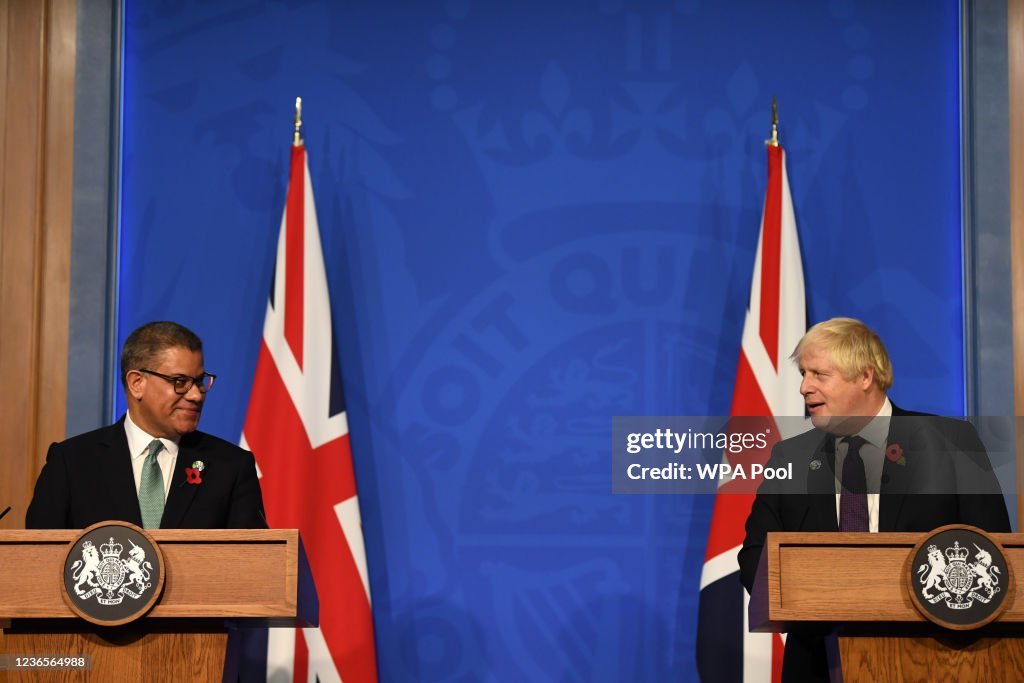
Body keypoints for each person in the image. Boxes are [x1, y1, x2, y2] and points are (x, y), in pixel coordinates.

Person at [738, 317, 1010, 682]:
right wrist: (830, 596)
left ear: (865, 377)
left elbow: (991, 552)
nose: (804, 387)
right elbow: (755, 557)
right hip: (818, 665)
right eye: (803, 373)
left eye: (819, 374)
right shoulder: (790, 458)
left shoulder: (950, 443)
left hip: (938, 663)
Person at [26, 321, 266, 530]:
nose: (196, 395)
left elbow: (253, 563)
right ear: (137, 383)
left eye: (199, 381)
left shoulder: (231, 467)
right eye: (180, 381)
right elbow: (39, 560)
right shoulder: (72, 463)